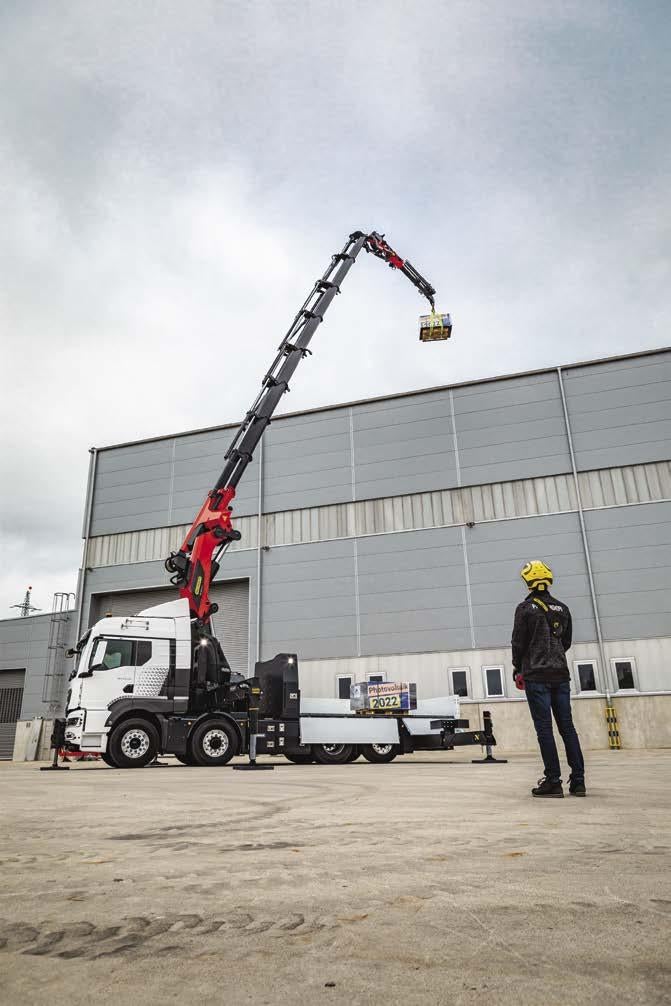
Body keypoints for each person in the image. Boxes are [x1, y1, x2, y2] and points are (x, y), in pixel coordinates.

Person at [511, 560, 586, 798]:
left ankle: (553, 781)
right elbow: (566, 642)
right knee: (567, 728)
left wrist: (517, 668)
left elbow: (518, 643)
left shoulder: (525, 609)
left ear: (527, 581)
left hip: (536, 675)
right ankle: (579, 781)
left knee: (544, 729)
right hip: (560, 675)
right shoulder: (563, 609)